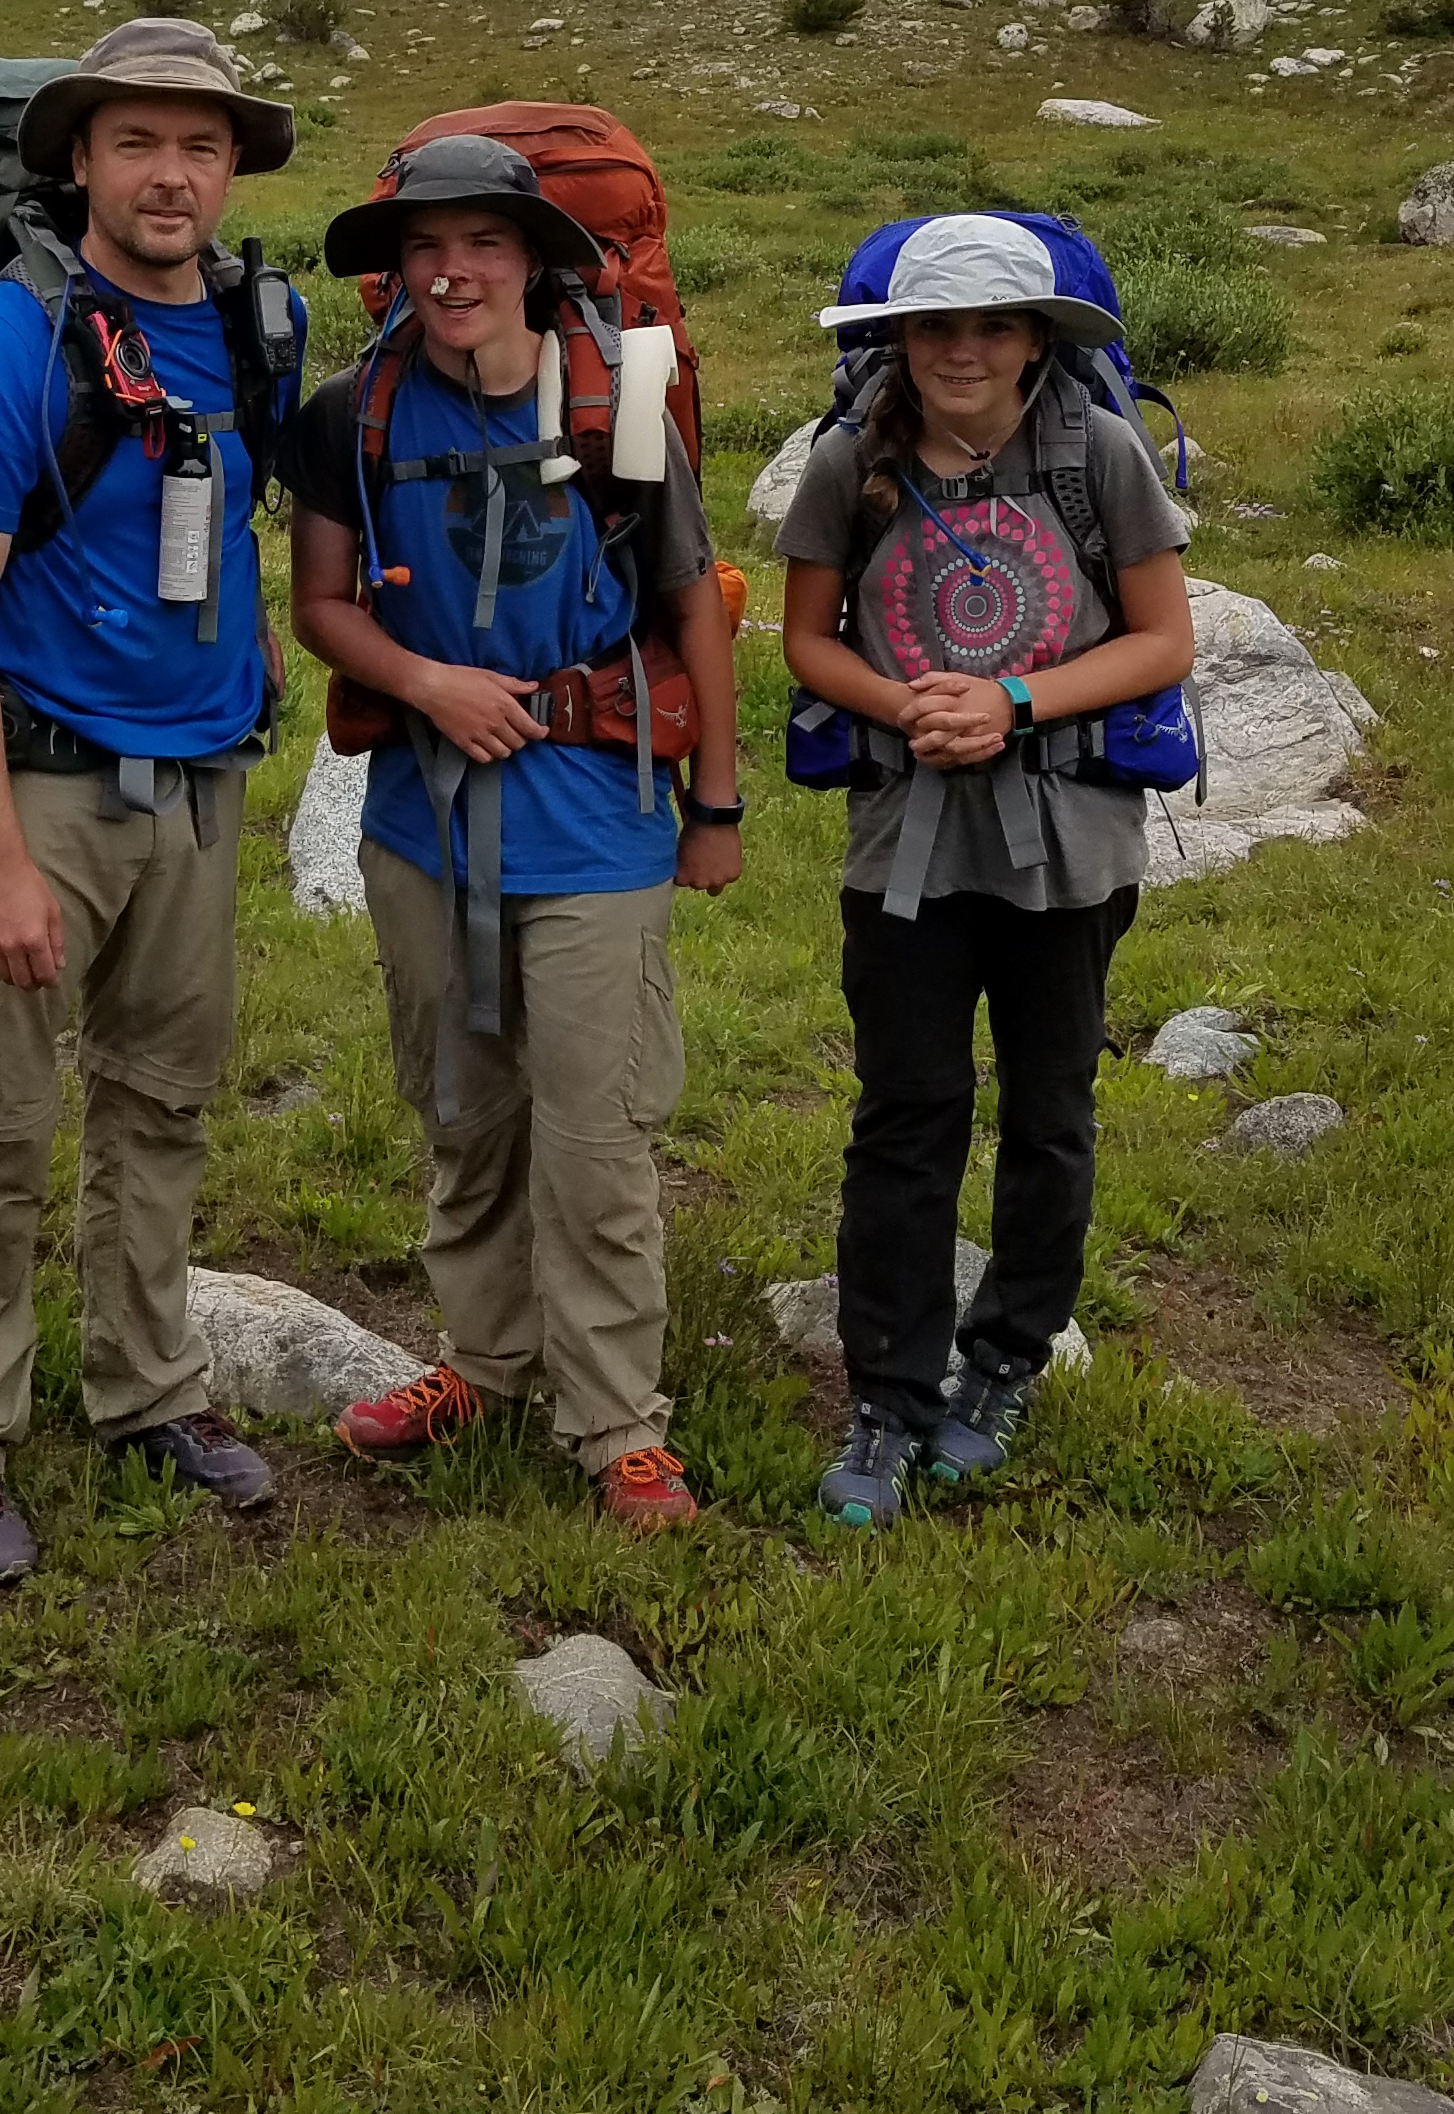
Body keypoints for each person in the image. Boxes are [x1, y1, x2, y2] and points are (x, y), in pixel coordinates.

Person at [0, 15, 302, 1587]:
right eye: (138, 141)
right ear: (79, 159)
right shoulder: (8, 342)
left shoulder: (263, 327)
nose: (173, 172)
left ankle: (149, 1391)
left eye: (201, 144)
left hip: (198, 791)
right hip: (40, 794)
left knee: (161, 1108)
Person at [289, 134, 741, 1533]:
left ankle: (616, 1424)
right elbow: (322, 601)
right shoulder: (348, 415)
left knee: (594, 1136)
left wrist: (715, 802)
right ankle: (484, 1361)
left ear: (533, 258)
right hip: (423, 822)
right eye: (424, 248)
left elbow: (691, 614)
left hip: (599, 815)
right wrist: (427, 682)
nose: (449, 270)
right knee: (462, 1106)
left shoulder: (625, 399)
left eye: (482, 242)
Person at [775, 212, 1195, 1527]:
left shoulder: (1099, 453)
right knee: (906, 1109)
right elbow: (807, 640)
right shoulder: (850, 460)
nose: (962, 350)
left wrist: (1011, 700)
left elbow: (1163, 638)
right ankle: (890, 1398)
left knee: (1053, 1104)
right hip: (907, 838)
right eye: (936, 326)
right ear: (895, 339)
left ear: (1034, 341)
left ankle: (1006, 1357)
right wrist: (909, 712)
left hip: (1072, 842)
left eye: (993, 326)